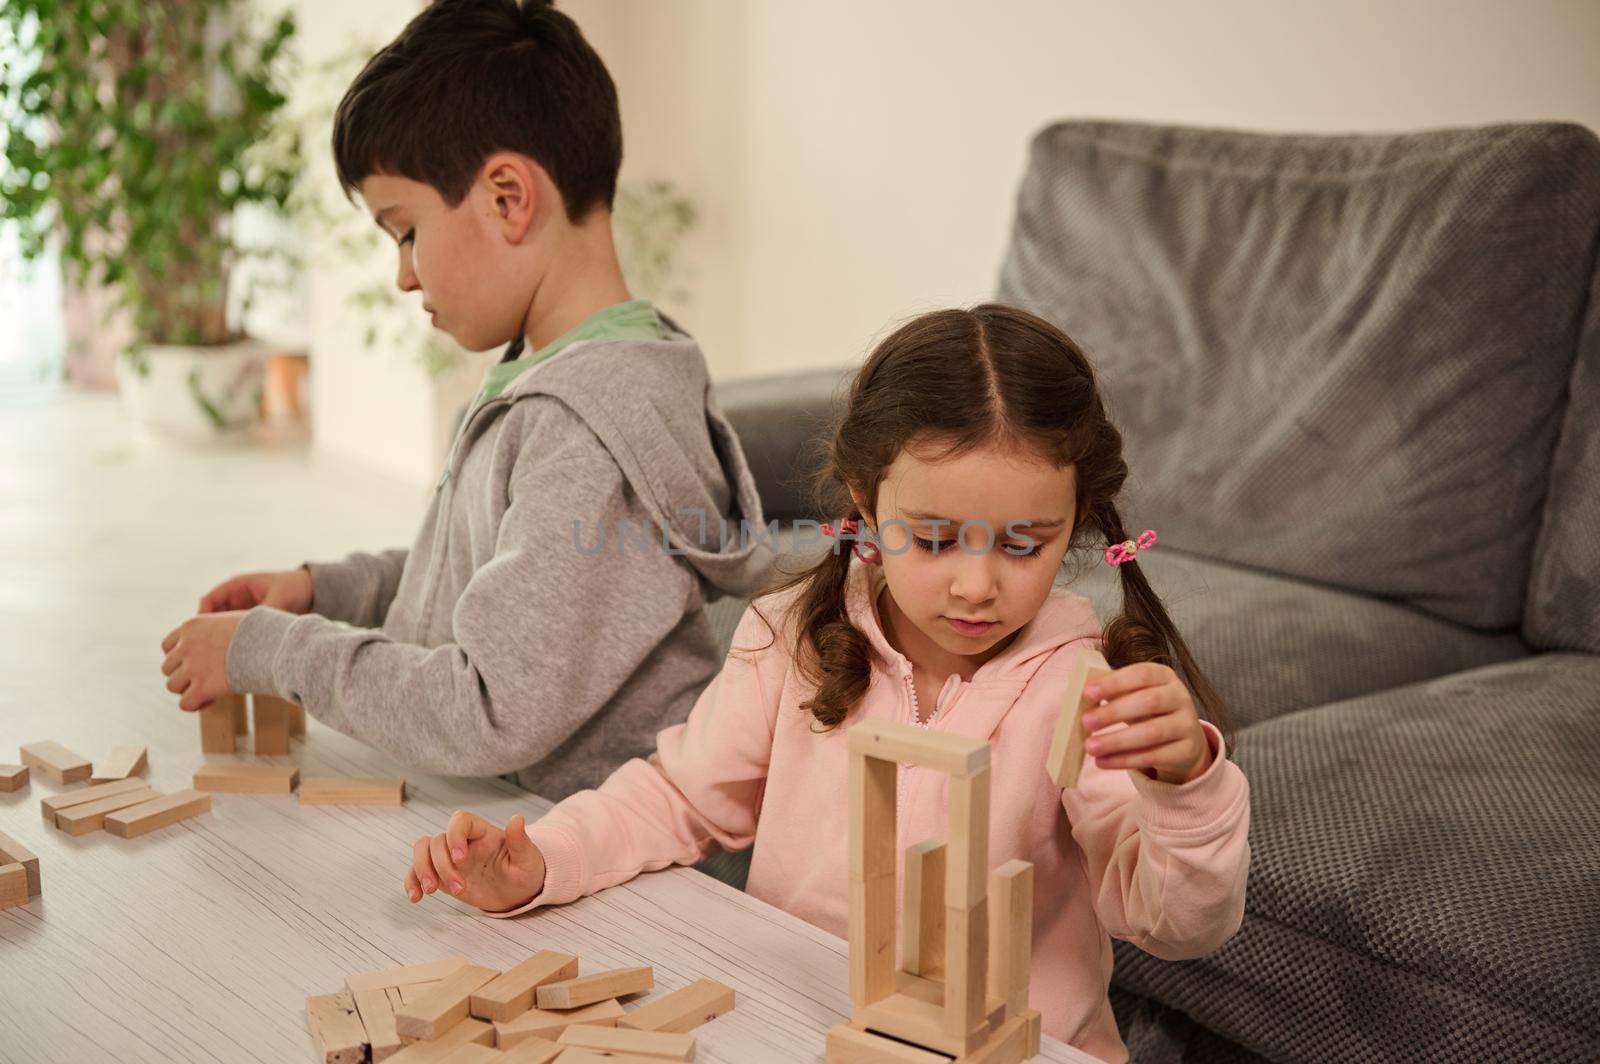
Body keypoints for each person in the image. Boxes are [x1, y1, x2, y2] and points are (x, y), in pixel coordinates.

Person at [403, 304, 1250, 1060]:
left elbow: (1176, 927)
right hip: (805, 1028)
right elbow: (678, 798)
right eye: (935, 538)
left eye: (1024, 545)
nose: (977, 586)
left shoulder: (1086, 691)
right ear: (866, 506)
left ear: (1078, 523)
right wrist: (544, 860)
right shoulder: (790, 636)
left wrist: (1183, 788)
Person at [158, 0, 772, 799]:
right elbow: (487, 577)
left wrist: (273, 649)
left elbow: (486, 709)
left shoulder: (582, 429)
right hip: (529, 830)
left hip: (603, 870)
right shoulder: (568, 380)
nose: (404, 275)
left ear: (508, 198)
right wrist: (324, 591)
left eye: (406, 230)